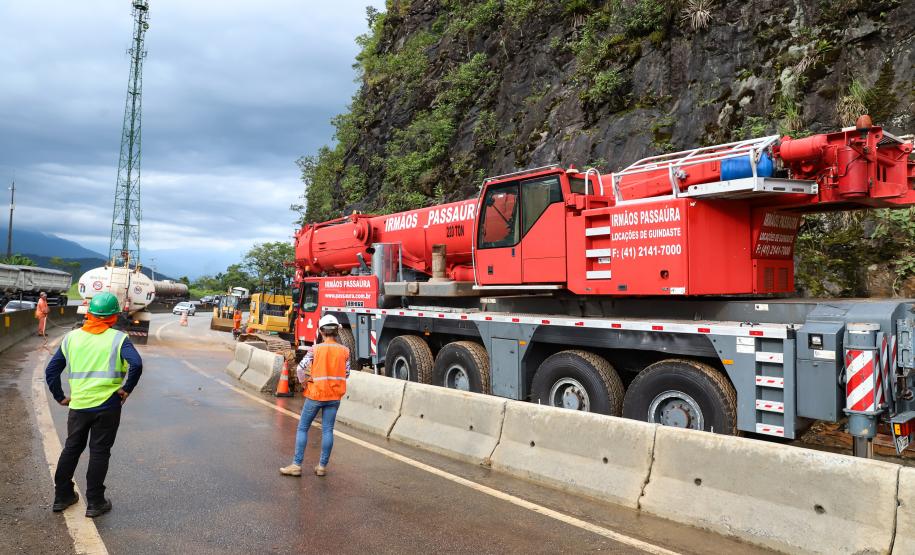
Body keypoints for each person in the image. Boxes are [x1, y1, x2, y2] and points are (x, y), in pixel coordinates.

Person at [44, 292, 143, 518]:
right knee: (99, 452)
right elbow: (136, 364)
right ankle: (95, 502)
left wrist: (60, 396)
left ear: (89, 314)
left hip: (78, 406)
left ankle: (62, 496)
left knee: (72, 448)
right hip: (108, 405)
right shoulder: (118, 338)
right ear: (113, 317)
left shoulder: (71, 338)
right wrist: (126, 389)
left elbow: (51, 370)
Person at [280, 314, 349, 477]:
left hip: (316, 394)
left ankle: (296, 465)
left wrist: (304, 382)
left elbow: (300, 369)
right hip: (334, 396)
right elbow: (346, 374)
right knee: (328, 430)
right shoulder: (345, 351)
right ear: (337, 331)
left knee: (303, 428)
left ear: (321, 331)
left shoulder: (315, 349)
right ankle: (322, 467)